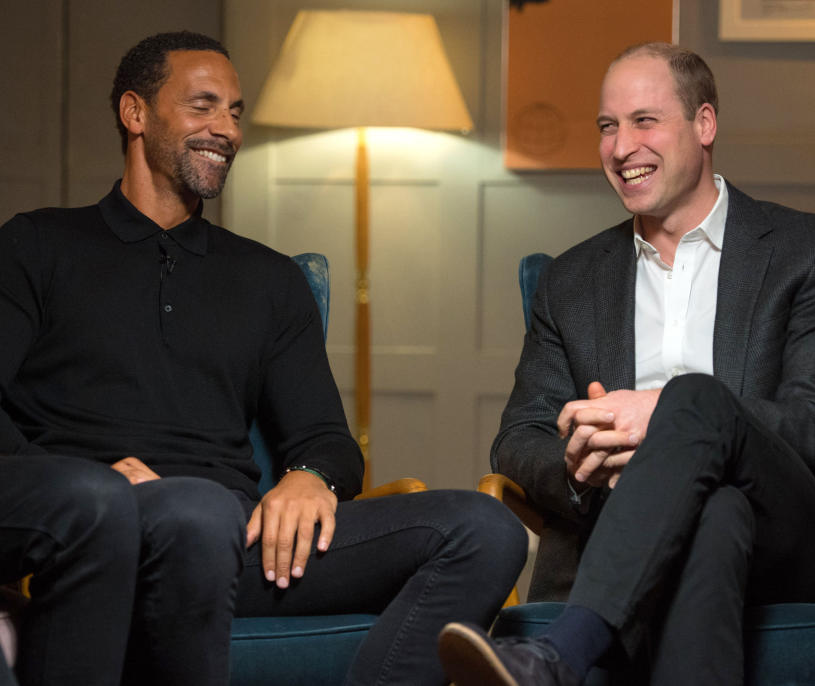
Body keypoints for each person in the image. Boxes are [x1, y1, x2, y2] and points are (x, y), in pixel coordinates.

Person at [0, 31, 527, 686]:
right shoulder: (38, 245)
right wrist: (89, 483)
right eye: (203, 106)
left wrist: (310, 476)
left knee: (484, 529)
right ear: (135, 114)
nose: (226, 129)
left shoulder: (269, 280)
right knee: (196, 509)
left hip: (236, 548)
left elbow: (328, 440)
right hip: (91, 534)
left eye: (235, 112)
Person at [438, 42, 815, 686]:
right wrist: (577, 465)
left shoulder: (814, 252)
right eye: (607, 126)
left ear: (704, 125)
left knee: (694, 400)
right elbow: (517, 438)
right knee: (715, 512)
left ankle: (560, 654)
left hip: (791, 535)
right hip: (628, 526)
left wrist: (663, 416)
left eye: (644, 121)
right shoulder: (572, 280)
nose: (621, 147)